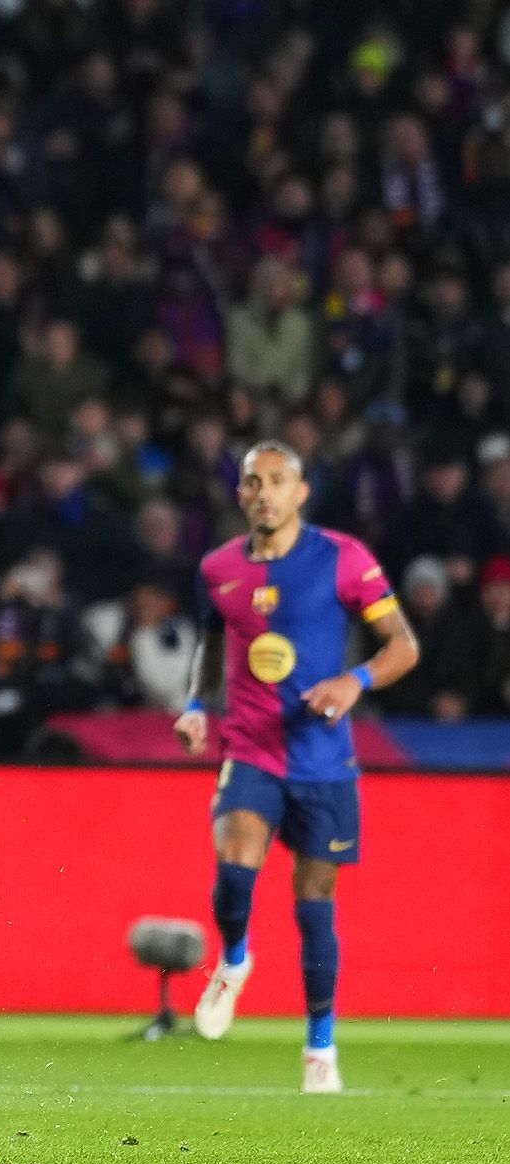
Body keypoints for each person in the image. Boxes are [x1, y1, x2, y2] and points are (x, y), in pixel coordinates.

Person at [177, 442, 420, 1093]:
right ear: (240, 495)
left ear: (299, 492)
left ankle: (319, 1047)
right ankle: (233, 960)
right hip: (250, 751)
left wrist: (354, 680)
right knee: (233, 871)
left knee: (313, 906)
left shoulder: (343, 558)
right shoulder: (217, 568)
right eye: (252, 482)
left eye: (276, 481)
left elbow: (403, 644)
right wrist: (198, 704)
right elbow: (208, 645)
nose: (263, 492)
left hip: (323, 762)